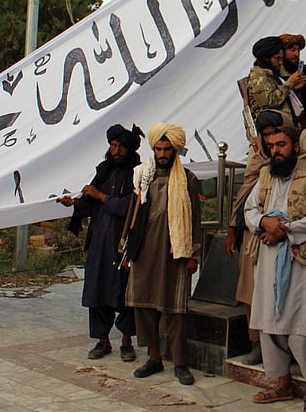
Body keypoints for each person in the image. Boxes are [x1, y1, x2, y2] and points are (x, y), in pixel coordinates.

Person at [245, 122, 306, 412]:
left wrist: (287, 230)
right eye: (271, 146)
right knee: (269, 322)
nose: (275, 151)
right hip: (269, 258)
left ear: (295, 146)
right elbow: (249, 210)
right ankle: (282, 384)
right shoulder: (267, 174)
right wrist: (264, 223)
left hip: (301, 258)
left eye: (280, 145)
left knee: (305, 325)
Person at [56, 124, 143, 360]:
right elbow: (90, 205)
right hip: (98, 245)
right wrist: (74, 203)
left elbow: (130, 207)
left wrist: (100, 196)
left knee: (125, 293)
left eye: (120, 147)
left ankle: (126, 342)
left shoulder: (137, 174)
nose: (115, 151)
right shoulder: (103, 171)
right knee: (97, 290)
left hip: (122, 245)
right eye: (112, 146)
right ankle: (102, 341)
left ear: (128, 149)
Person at [126, 124, 202, 386]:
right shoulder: (142, 176)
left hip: (175, 253)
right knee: (144, 308)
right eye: (158, 149)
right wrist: (127, 250)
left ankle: (180, 364)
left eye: (166, 149)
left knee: (176, 311)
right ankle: (154, 358)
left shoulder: (188, 179)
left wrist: (193, 254)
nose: (162, 154)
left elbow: (195, 219)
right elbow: (132, 216)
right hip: (145, 252)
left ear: (175, 150)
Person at [226, 111, 301, 366]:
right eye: (265, 135)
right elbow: (245, 197)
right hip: (253, 234)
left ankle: (284, 348)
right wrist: (233, 230)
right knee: (250, 291)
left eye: (274, 135)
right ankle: (256, 343)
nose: (269, 141)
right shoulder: (257, 160)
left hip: (285, 236)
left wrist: (278, 227)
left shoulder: (299, 162)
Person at [246, 36, 306, 120]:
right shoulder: (258, 76)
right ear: (266, 59)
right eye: (277, 58)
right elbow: (269, 102)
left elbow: (280, 94)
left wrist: (294, 88)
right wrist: (290, 83)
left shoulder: (271, 73)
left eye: (281, 58)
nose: (280, 62)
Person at [279, 33, 306, 125]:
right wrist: (291, 85)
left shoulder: (304, 70)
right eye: (292, 50)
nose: (296, 54)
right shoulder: (274, 73)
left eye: (298, 50)